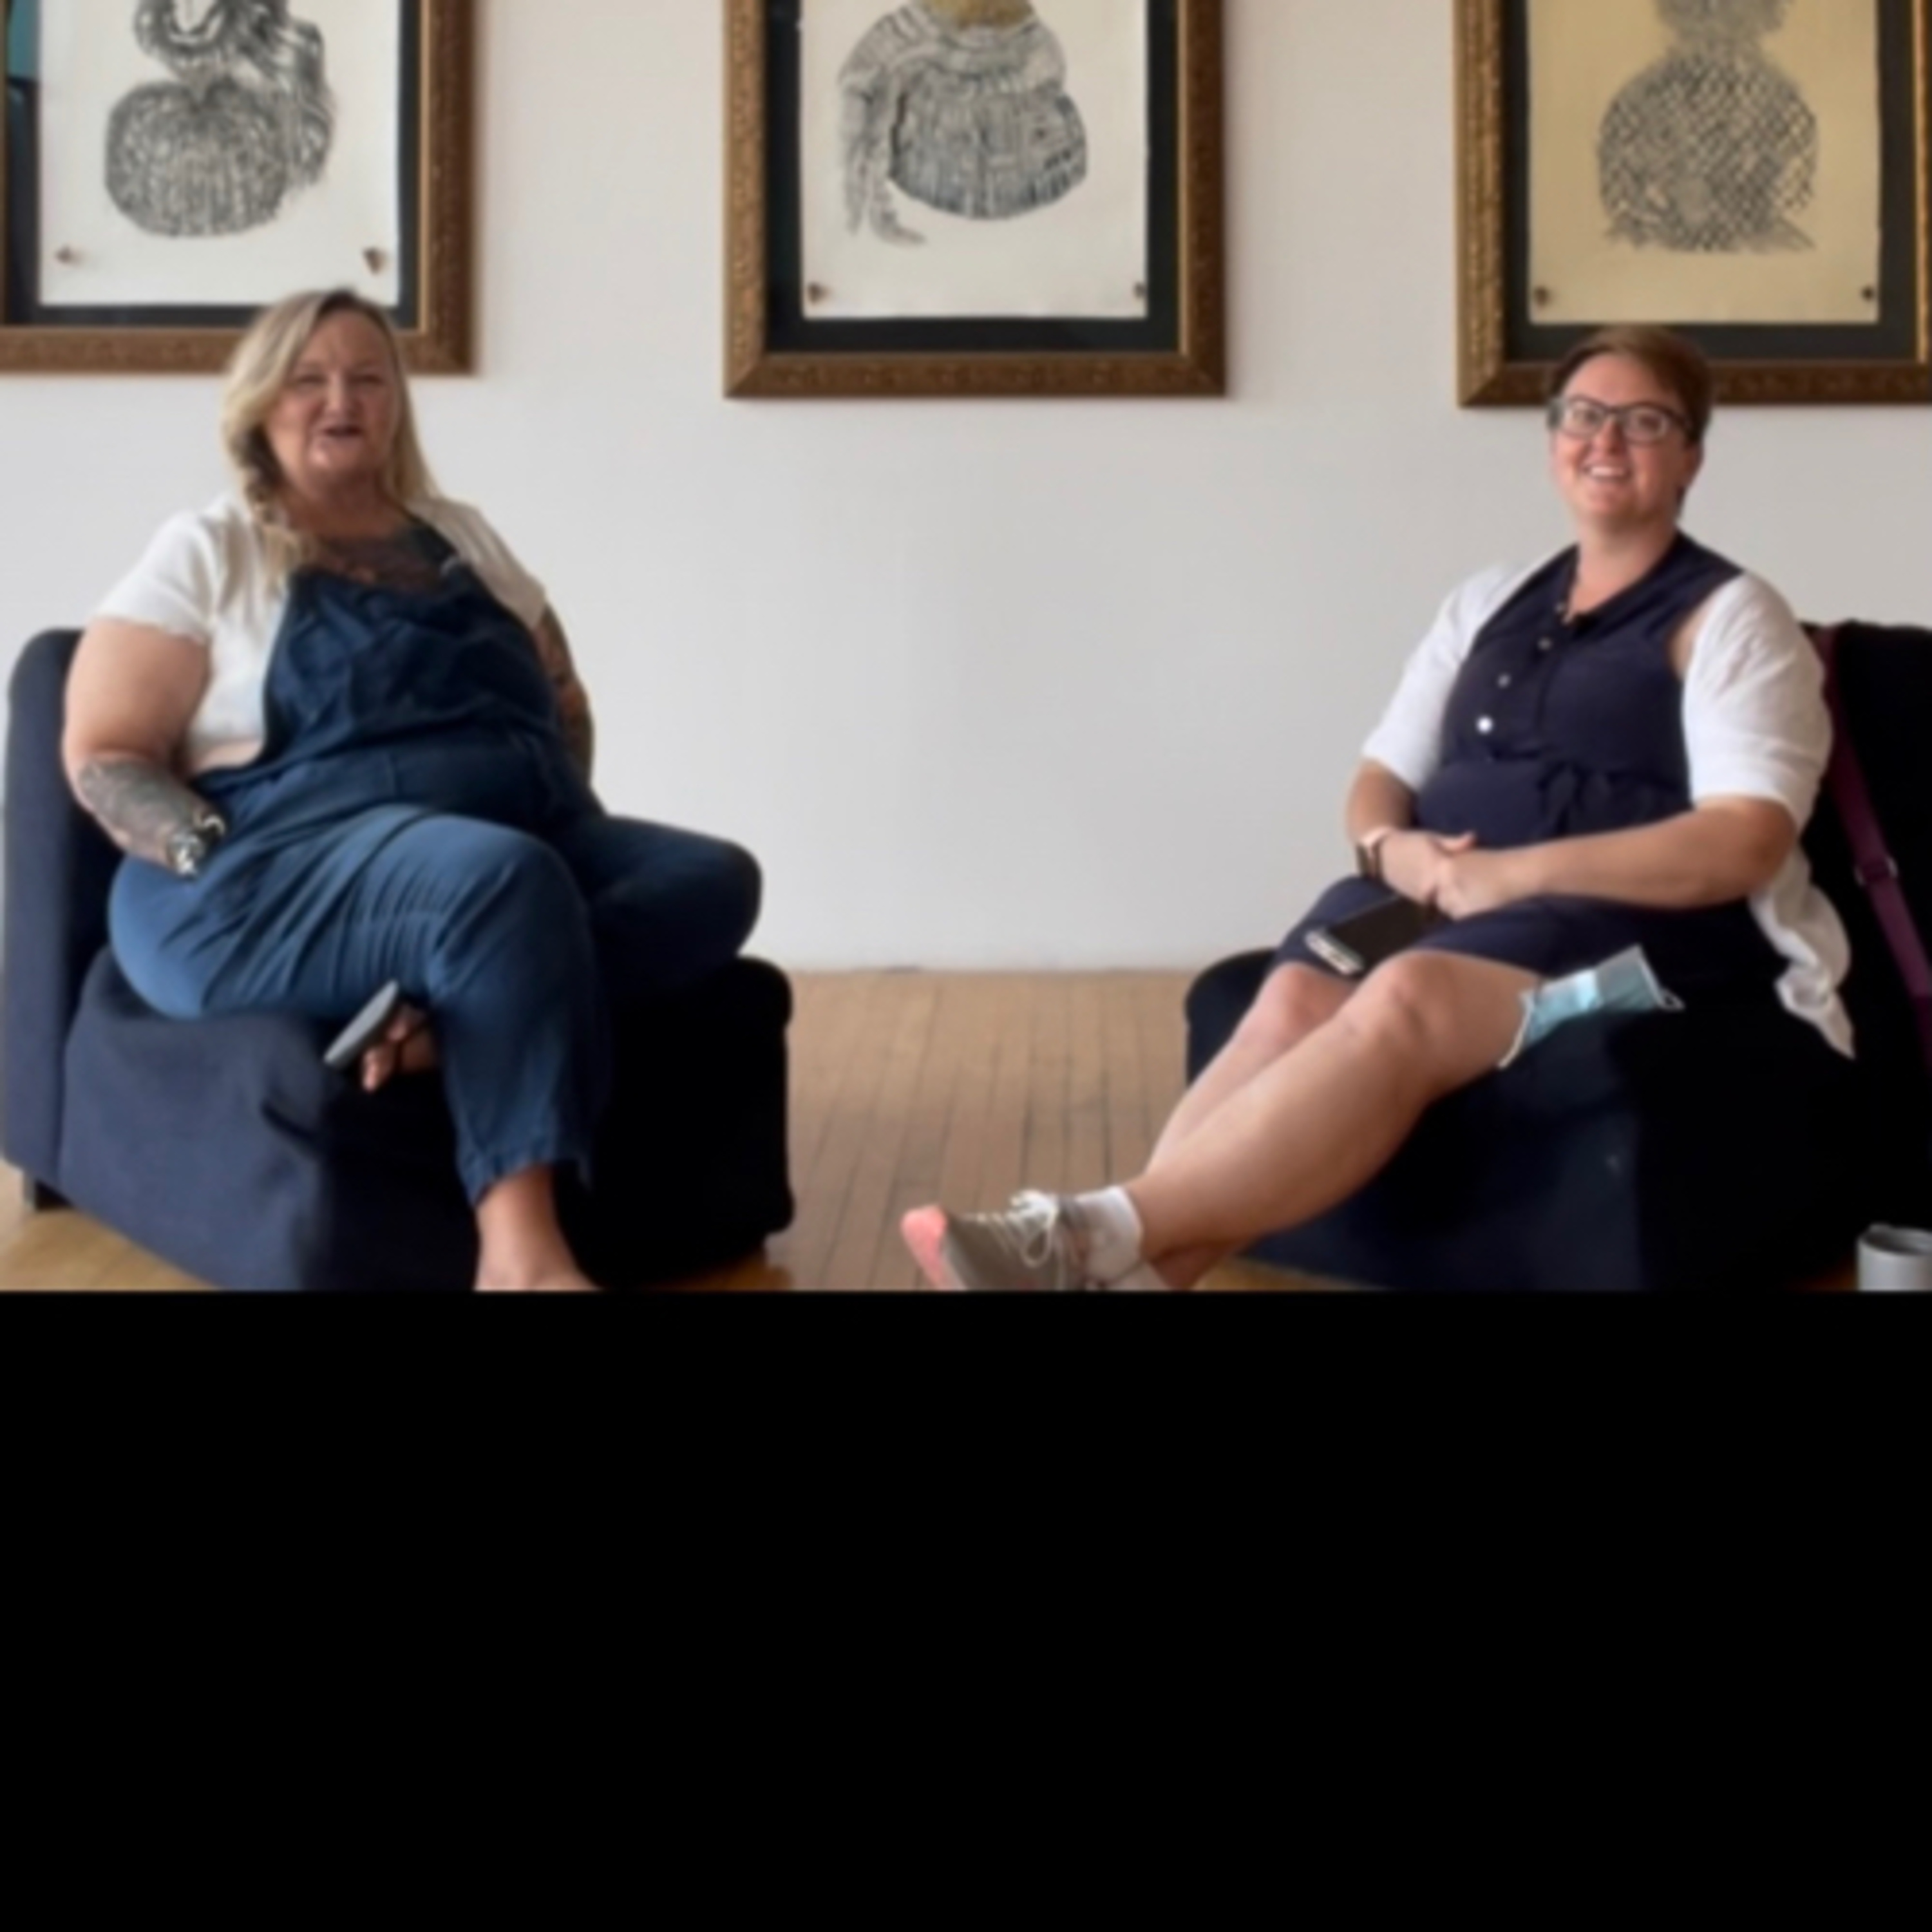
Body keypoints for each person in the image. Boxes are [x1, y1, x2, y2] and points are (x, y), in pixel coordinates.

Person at [901, 324, 1852, 1291]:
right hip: (1428, 894)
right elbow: (1378, 779)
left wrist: (1510, 876)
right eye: (1583, 415)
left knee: (1406, 994)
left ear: (1691, 454)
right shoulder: (1488, 601)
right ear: (1552, 440)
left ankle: (1078, 1236)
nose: (1606, 440)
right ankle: (1129, 1271)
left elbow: (1744, 842)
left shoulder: (1734, 616)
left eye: (1644, 421)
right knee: (1289, 1000)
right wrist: (1392, 851)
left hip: (1627, 924)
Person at [63, 288, 762, 1292]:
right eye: (308, 380)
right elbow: (106, 752)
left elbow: (561, 692)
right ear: (260, 402)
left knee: (714, 879)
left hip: (504, 835)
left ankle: (446, 1018)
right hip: (276, 863)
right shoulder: (212, 548)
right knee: (504, 881)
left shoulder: (458, 535)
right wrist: (205, 856)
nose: (340, 400)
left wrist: (564, 808)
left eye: (368, 378)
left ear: (396, 401)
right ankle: (520, 1258)